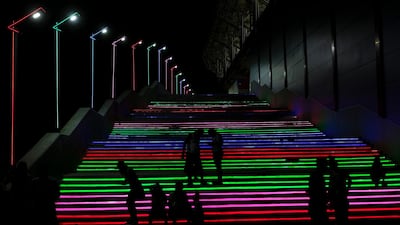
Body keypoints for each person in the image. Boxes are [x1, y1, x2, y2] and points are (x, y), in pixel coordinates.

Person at [117, 160, 145, 225]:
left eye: (119, 169)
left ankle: (134, 219)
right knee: (130, 203)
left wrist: (125, 182)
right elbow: (129, 179)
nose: (119, 171)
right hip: (136, 189)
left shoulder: (129, 172)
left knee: (130, 202)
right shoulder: (128, 171)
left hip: (136, 190)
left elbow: (131, 179)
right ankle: (133, 218)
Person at [327, 156, 352, 225]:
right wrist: (347, 189)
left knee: (339, 214)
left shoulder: (335, 173)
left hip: (339, 196)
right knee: (342, 214)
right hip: (341, 195)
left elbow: (331, 185)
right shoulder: (340, 172)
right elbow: (349, 179)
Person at [307, 157, 329, 225]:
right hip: (318, 202)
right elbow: (318, 189)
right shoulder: (317, 175)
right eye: (325, 164)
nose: (326, 166)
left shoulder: (315, 174)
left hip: (316, 202)